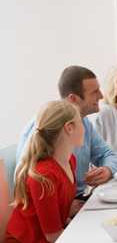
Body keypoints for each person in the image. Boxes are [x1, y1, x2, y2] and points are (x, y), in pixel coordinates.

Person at [15, 66, 117, 200]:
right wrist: (65, 206)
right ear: (73, 98)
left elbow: (108, 154)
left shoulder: (84, 123)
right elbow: (26, 182)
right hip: (55, 207)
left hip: (80, 199)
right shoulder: (44, 126)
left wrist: (107, 169)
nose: (101, 96)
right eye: (94, 92)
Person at [6, 100, 84, 243]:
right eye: (81, 122)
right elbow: (53, 236)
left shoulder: (70, 160)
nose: (84, 128)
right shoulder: (44, 175)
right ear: (69, 128)